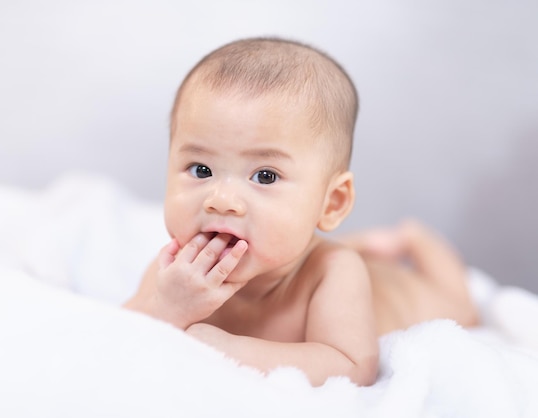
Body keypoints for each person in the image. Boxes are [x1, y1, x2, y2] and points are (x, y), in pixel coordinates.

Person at [124, 37, 478, 387]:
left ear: (332, 203)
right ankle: (365, 241)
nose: (221, 199)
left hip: (402, 295)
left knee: (459, 304)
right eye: (201, 169)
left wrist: (230, 350)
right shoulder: (174, 270)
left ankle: (411, 236)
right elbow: (116, 330)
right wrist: (167, 308)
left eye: (265, 176)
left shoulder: (331, 272)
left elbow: (353, 364)